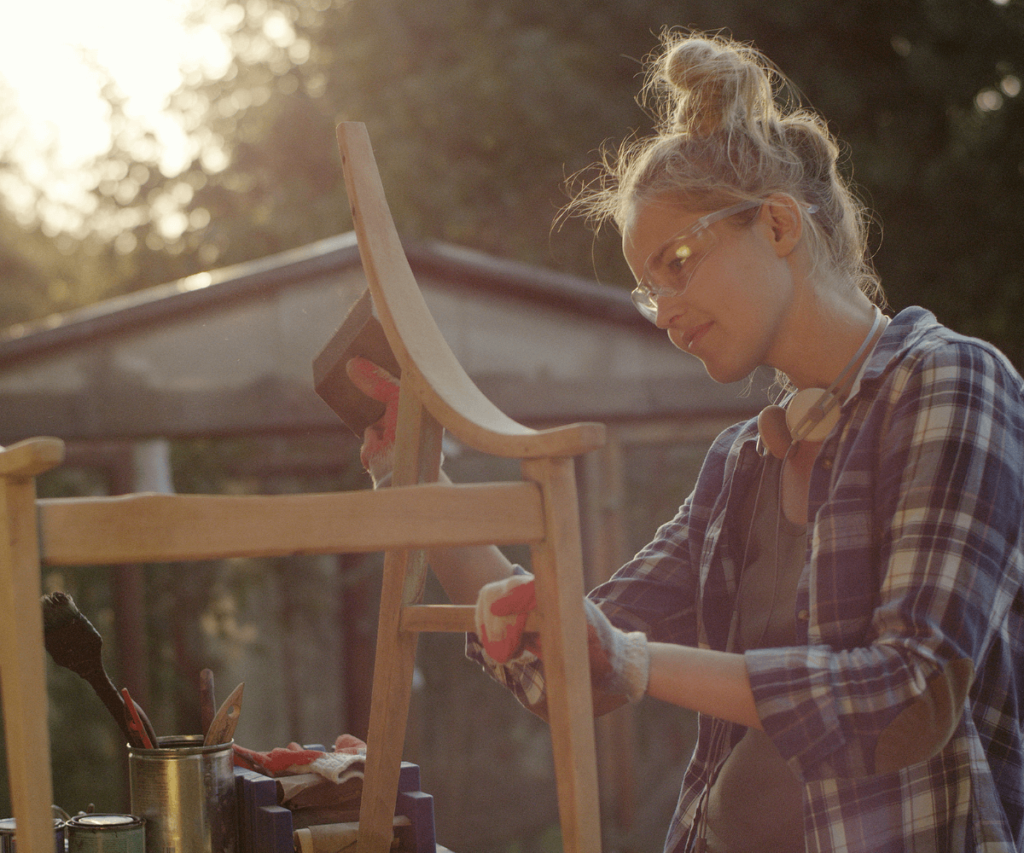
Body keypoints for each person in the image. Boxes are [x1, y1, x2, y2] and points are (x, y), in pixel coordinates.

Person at [346, 30, 1024, 853]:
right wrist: (418, 480)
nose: (663, 310)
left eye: (678, 261)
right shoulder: (741, 462)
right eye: (647, 287)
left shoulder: (952, 383)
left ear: (777, 225)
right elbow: (572, 659)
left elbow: (909, 694)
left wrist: (633, 660)